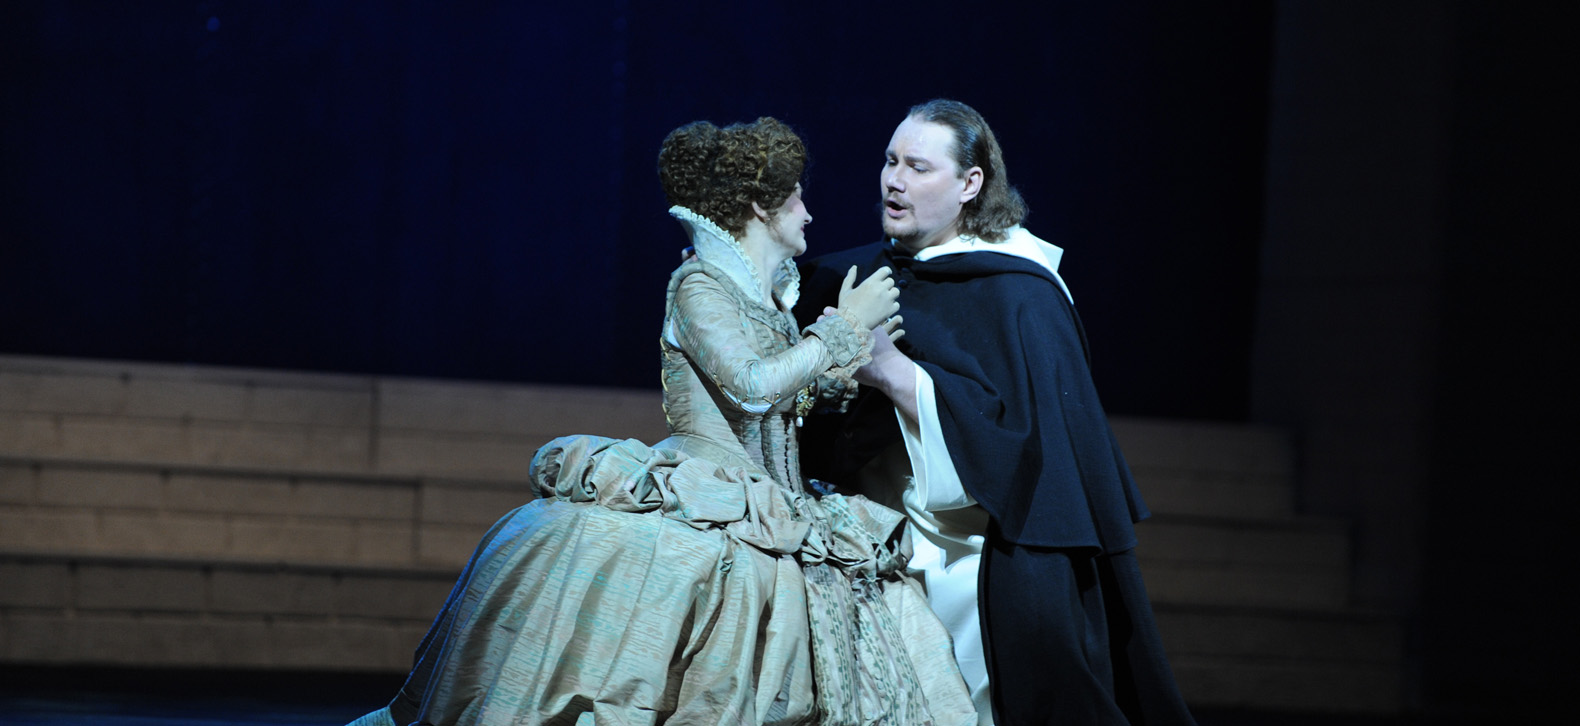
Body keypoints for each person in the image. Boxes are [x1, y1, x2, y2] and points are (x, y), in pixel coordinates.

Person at [346, 116, 975, 726]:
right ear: (761, 208)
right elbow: (751, 388)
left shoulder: (770, 302)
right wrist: (839, 330)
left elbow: (787, 399)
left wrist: (846, 367)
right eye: (795, 197)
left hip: (778, 504)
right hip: (709, 492)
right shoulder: (699, 285)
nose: (808, 213)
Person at [797, 99, 1197, 726]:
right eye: (890, 161)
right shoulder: (866, 271)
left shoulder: (1021, 294)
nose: (894, 181)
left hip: (975, 548)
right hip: (872, 530)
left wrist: (894, 372)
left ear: (970, 183)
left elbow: (1022, 445)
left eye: (918, 167)